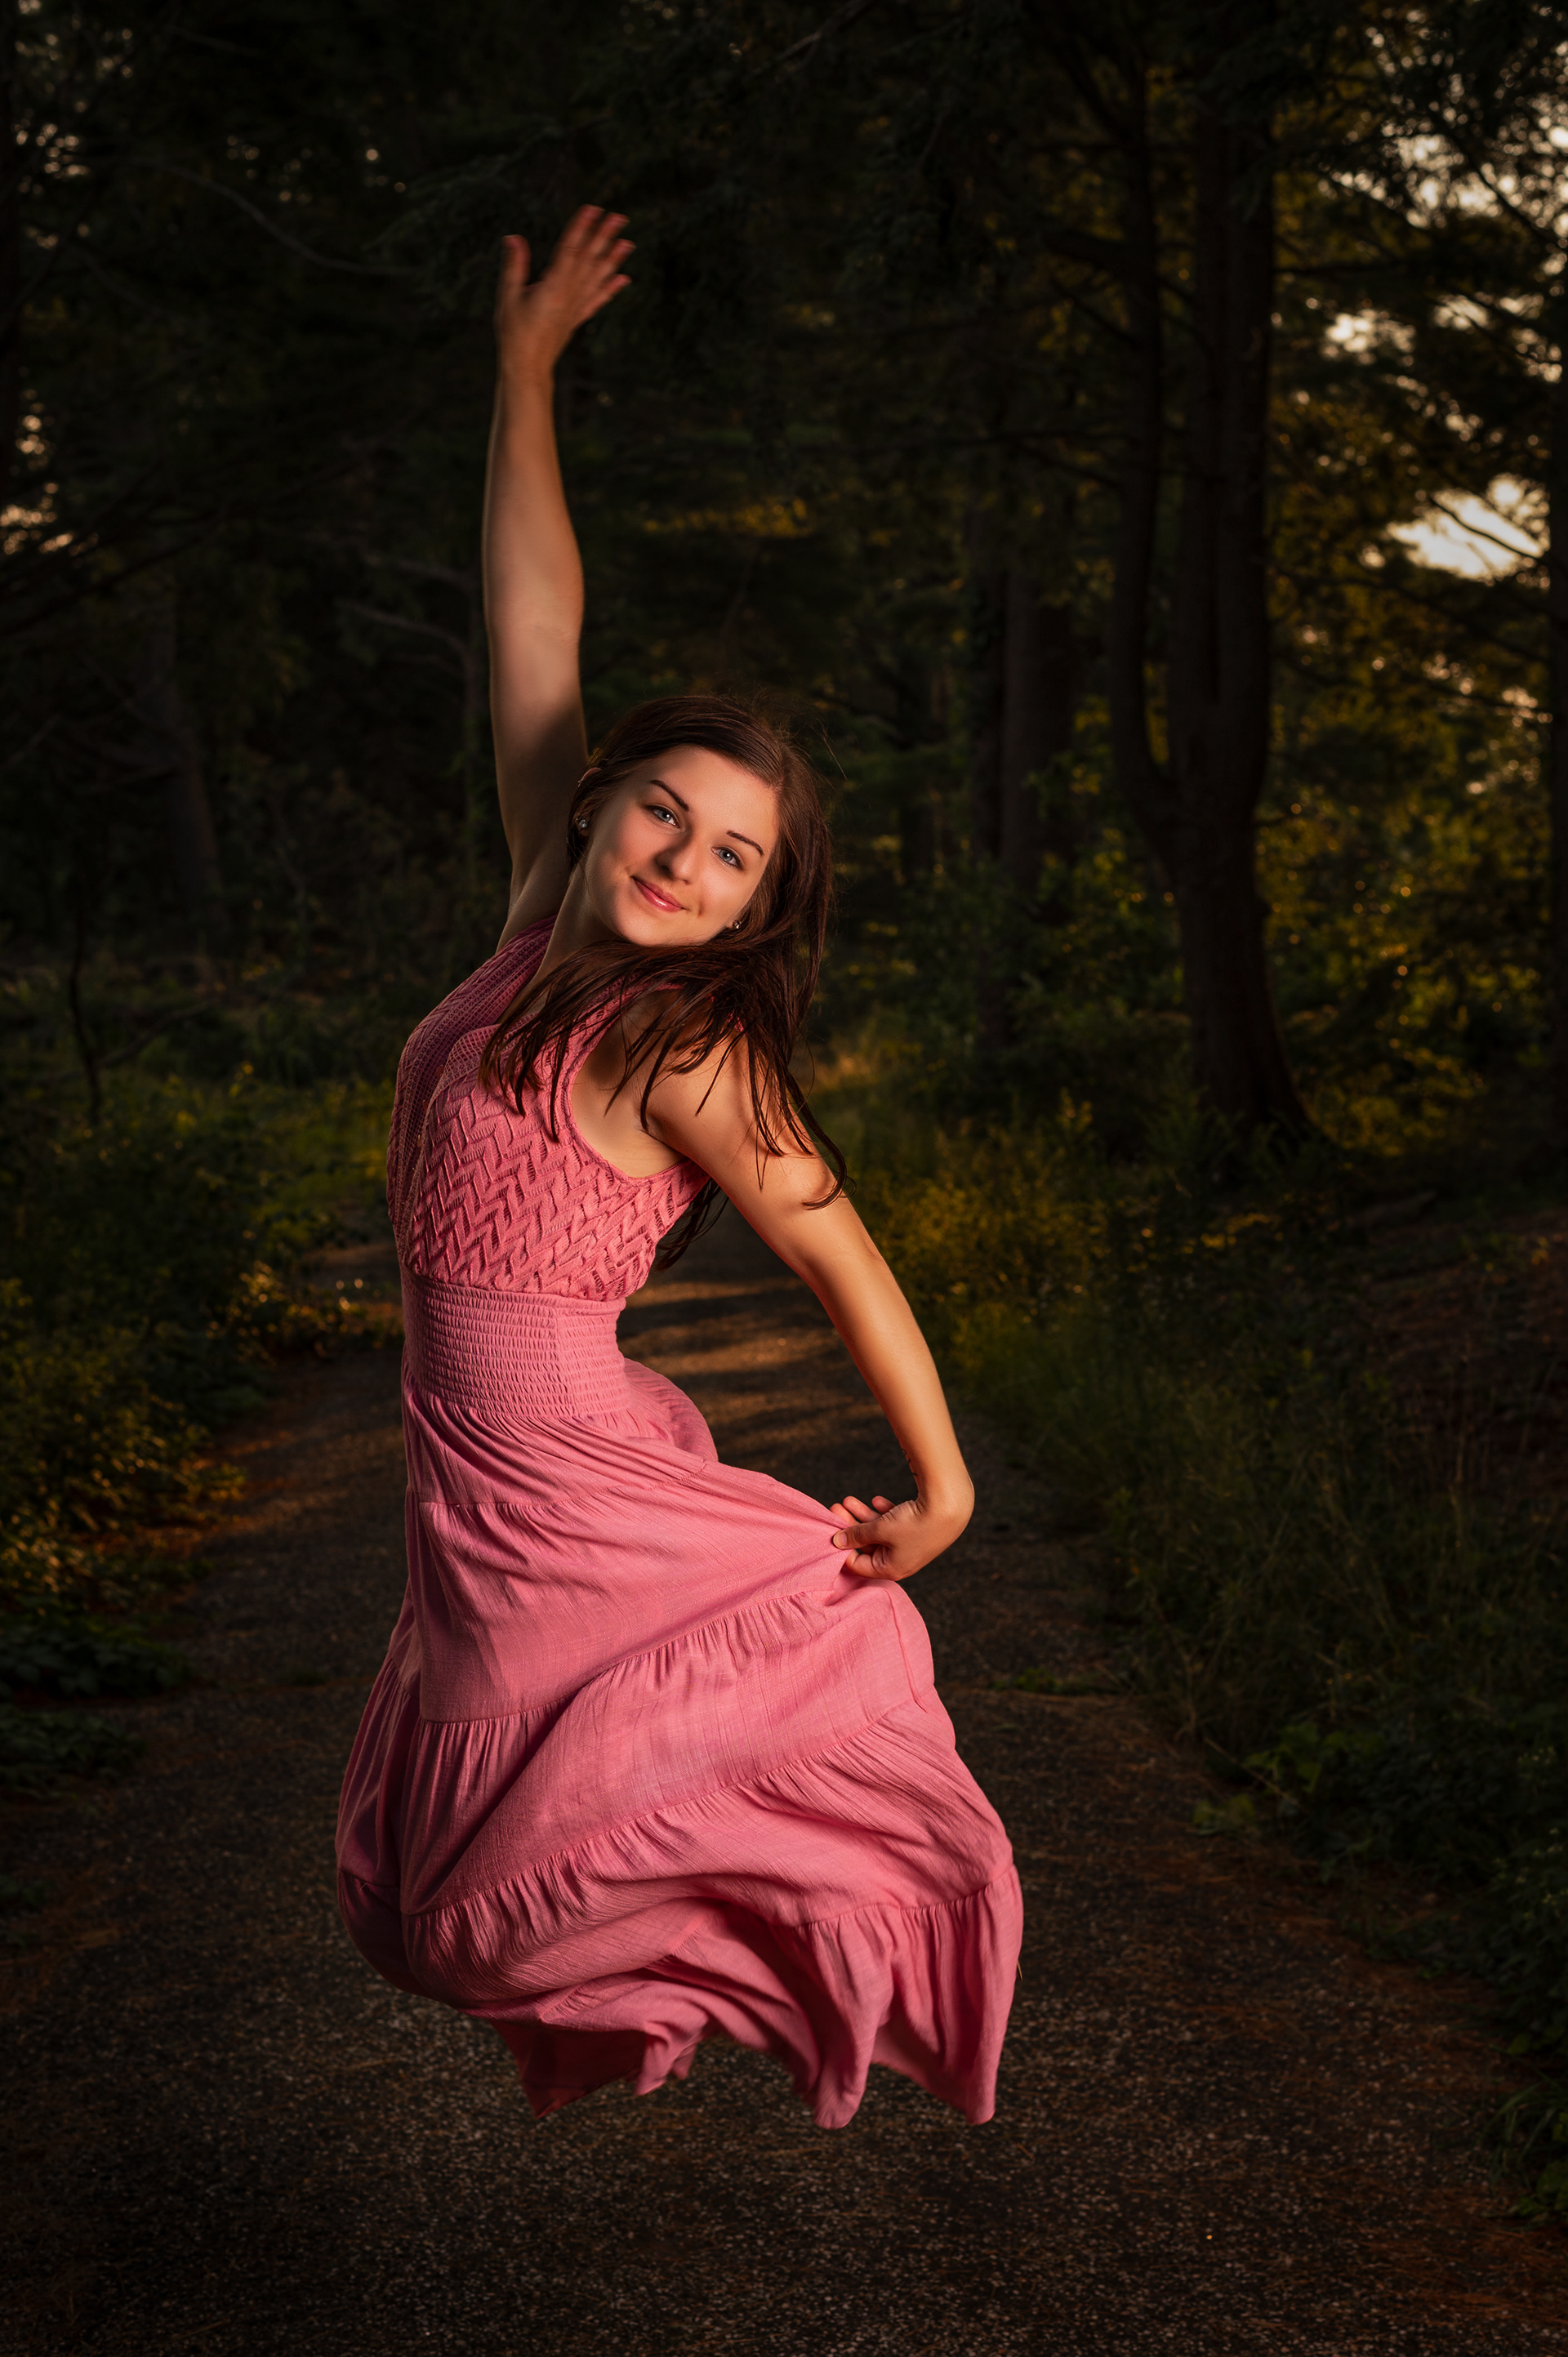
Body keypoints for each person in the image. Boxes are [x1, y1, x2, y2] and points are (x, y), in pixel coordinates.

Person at [336, 207, 1022, 2129]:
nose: (684, 859)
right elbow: (533, 620)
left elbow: (846, 1260)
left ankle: (763, 1946)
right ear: (602, 801)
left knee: (479, 1912)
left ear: (755, 907)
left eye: (733, 855)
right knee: (411, 1907)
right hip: (468, 1483)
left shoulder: (692, 1042)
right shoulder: (534, 910)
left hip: (571, 1488)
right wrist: (529, 370)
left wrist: (950, 1488)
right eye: (668, 808)